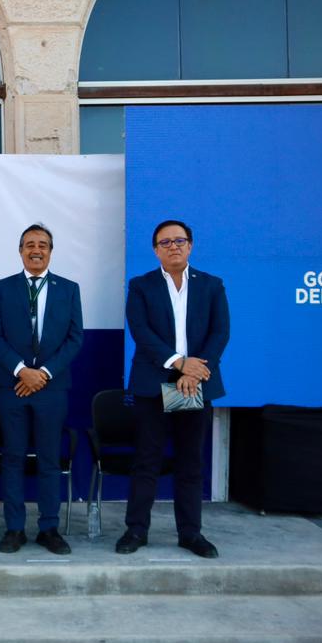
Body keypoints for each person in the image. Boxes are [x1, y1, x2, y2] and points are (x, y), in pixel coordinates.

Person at [117, 219, 230, 559]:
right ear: (156, 250)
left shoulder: (211, 285)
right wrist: (180, 364)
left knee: (190, 461)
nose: (173, 246)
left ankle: (190, 533)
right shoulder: (141, 286)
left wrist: (195, 371)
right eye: (165, 242)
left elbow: (220, 332)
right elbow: (141, 331)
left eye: (179, 240)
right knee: (146, 460)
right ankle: (136, 530)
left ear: (190, 246)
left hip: (193, 384)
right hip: (155, 383)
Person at [0, 223, 83, 555]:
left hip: (51, 387)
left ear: (51, 251)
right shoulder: (2, 288)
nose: (36, 250)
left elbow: (75, 338)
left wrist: (42, 374)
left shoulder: (68, 289)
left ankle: (49, 528)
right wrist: (22, 371)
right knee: (13, 457)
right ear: (20, 250)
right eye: (29, 244)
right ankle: (14, 528)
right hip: (11, 385)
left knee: (49, 459)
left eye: (42, 244)